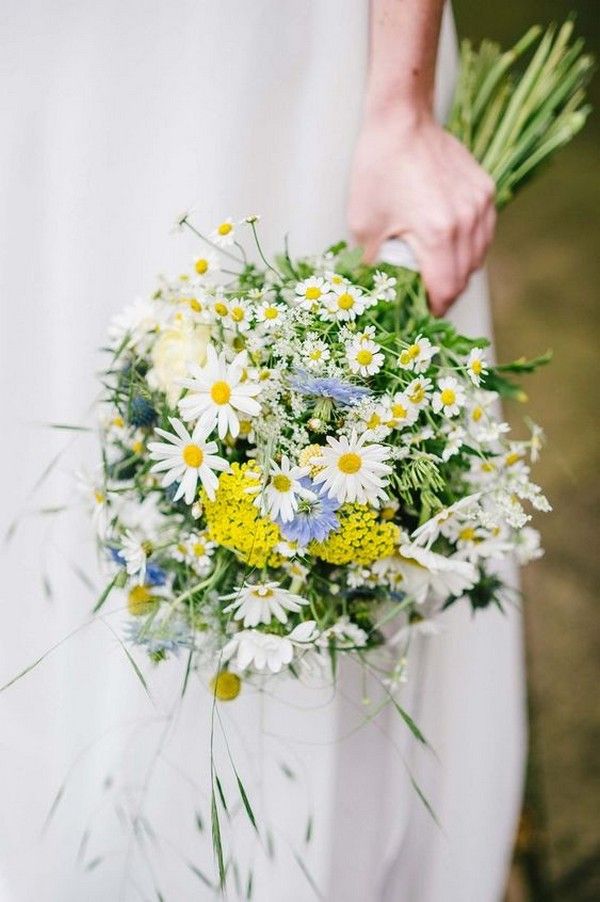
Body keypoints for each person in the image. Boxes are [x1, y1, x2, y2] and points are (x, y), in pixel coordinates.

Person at [0, 2, 524, 899]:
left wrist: (397, 112)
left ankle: (283, 865)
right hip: (51, 56)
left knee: (349, 440)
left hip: (276, 46)